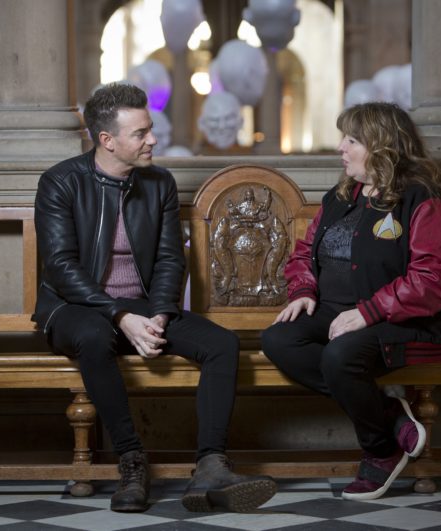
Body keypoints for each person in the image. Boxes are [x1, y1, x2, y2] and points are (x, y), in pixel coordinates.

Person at [33, 83, 276, 513]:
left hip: (143, 308)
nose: (153, 139)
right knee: (93, 336)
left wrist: (161, 314)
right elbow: (61, 268)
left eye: (150, 129)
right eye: (141, 133)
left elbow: (168, 260)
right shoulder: (61, 183)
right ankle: (131, 461)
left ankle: (211, 466)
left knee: (223, 344)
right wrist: (120, 314)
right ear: (106, 140)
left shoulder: (158, 183)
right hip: (76, 309)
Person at [261, 102, 441, 501]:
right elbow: (304, 253)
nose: (341, 147)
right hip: (341, 312)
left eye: (352, 139)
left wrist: (368, 312)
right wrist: (303, 290)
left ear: (382, 146)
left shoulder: (424, 199)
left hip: (411, 320)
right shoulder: (343, 195)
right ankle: (391, 417)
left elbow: (432, 281)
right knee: (279, 339)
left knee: (339, 357)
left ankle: (380, 451)